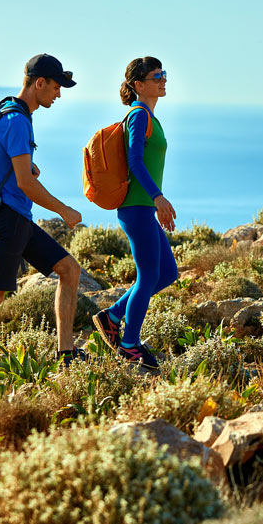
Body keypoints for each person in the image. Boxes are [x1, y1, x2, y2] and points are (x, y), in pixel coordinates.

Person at [0, 53, 86, 385]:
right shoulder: (17, 121)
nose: (58, 95)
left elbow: (10, 166)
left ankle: (67, 354)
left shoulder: (6, 112)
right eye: (56, 87)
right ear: (39, 82)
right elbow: (25, 184)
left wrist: (26, 166)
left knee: (69, 270)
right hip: (9, 220)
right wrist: (64, 211)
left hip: (17, 218)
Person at [91, 56, 177, 372]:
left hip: (143, 209)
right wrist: (158, 197)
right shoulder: (139, 115)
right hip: (137, 208)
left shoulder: (149, 117)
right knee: (148, 275)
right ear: (139, 85)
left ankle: (113, 315)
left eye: (164, 74)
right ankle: (128, 344)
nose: (163, 79)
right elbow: (135, 161)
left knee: (167, 273)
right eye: (157, 76)